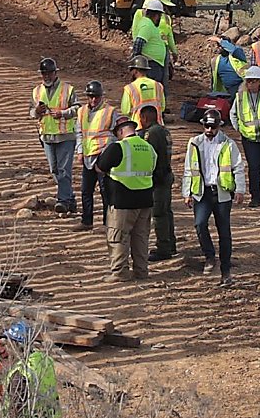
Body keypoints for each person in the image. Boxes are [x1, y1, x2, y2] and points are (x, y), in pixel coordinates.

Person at [93, 113, 158, 280]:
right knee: (141, 239)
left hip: (122, 201)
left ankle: (120, 272)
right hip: (145, 200)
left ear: (120, 132)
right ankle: (141, 271)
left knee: (118, 237)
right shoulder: (149, 148)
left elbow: (100, 167)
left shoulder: (119, 147)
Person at [185, 107, 241, 284]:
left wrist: (240, 189)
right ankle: (209, 256)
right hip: (202, 192)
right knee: (200, 224)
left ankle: (226, 271)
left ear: (219, 126)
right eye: (207, 127)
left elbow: (238, 167)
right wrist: (187, 192)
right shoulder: (195, 143)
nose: (209, 131)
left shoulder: (228, 144)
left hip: (222, 193)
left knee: (224, 232)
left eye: (213, 127)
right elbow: (189, 168)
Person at [32, 56, 78, 214]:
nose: (47, 76)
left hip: (65, 136)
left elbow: (77, 108)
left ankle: (63, 201)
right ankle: (70, 198)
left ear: (55, 73)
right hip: (46, 136)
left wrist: (63, 113)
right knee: (54, 170)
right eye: (44, 74)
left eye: (49, 73)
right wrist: (36, 112)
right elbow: (31, 112)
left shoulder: (68, 89)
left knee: (64, 170)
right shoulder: (37, 91)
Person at [231, 65, 260, 206]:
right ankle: (255, 197)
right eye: (248, 81)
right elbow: (233, 114)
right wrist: (239, 128)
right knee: (254, 168)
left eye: (254, 81)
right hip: (249, 138)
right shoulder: (240, 97)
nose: (251, 84)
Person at [75, 81, 116, 230]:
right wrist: (80, 151)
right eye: (91, 97)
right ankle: (87, 221)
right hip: (87, 157)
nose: (94, 100)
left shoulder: (110, 111)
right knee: (86, 191)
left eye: (96, 97)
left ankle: (107, 223)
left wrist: (106, 157)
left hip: (102, 157)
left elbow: (114, 135)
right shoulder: (82, 112)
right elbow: (79, 132)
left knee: (106, 192)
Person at [138, 102, 176, 262]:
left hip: (159, 178)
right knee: (167, 211)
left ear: (145, 118)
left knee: (159, 213)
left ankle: (164, 247)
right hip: (166, 175)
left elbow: (150, 157)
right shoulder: (164, 131)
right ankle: (170, 243)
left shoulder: (151, 134)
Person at [130, 0, 176, 85]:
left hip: (154, 63)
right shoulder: (147, 25)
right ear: (156, 15)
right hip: (151, 64)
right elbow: (139, 42)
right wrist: (137, 62)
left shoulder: (149, 24)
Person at [120, 54, 166, 122]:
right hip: (157, 124)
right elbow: (162, 107)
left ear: (135, 71)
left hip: (138, 125)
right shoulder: (158, 85)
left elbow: (125, 111)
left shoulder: (129, 88)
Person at [210, 32, 248, 98]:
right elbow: (214, 80)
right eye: (218, 45)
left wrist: (219, 40)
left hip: (241, 86)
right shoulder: (215, 61)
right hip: (225, 90)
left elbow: (233, 49)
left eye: (220, 45)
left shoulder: (237, 54)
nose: (218, 47)